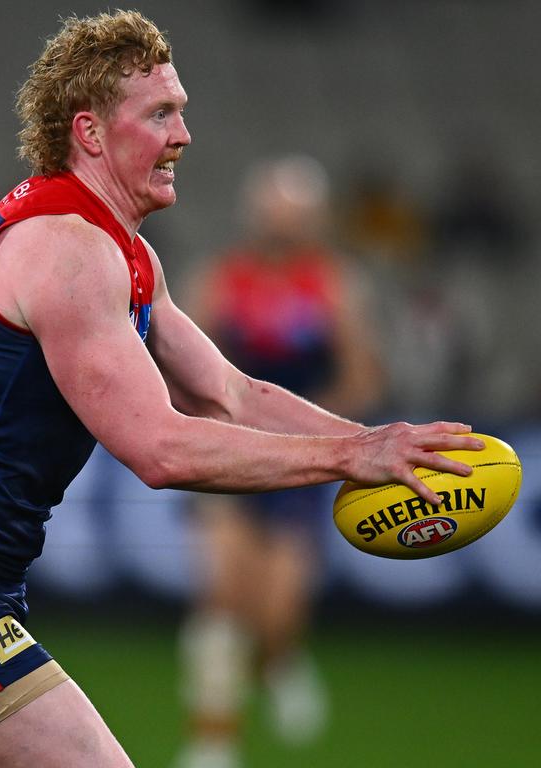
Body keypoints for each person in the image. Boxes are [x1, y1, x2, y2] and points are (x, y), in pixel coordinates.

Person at [0, 11, 482, 768]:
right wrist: (347, 456)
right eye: (161, 114)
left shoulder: (116, 247)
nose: (183, 136)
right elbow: (161, 449)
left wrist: (379, 445)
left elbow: (230, 394)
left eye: (183, 112)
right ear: (91, 132)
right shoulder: (69, 252)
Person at [174, 156, 383, 768]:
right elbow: (180, 359)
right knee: (221, 598)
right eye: (274, 214)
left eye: (294, 218)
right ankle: (213, 741)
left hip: (303, 464)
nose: (281, 227)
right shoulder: (220, 279)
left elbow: (363, 374)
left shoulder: (333, 284)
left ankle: (280, 659)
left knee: (277, 614)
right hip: (233, 454)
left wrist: (309, 422)